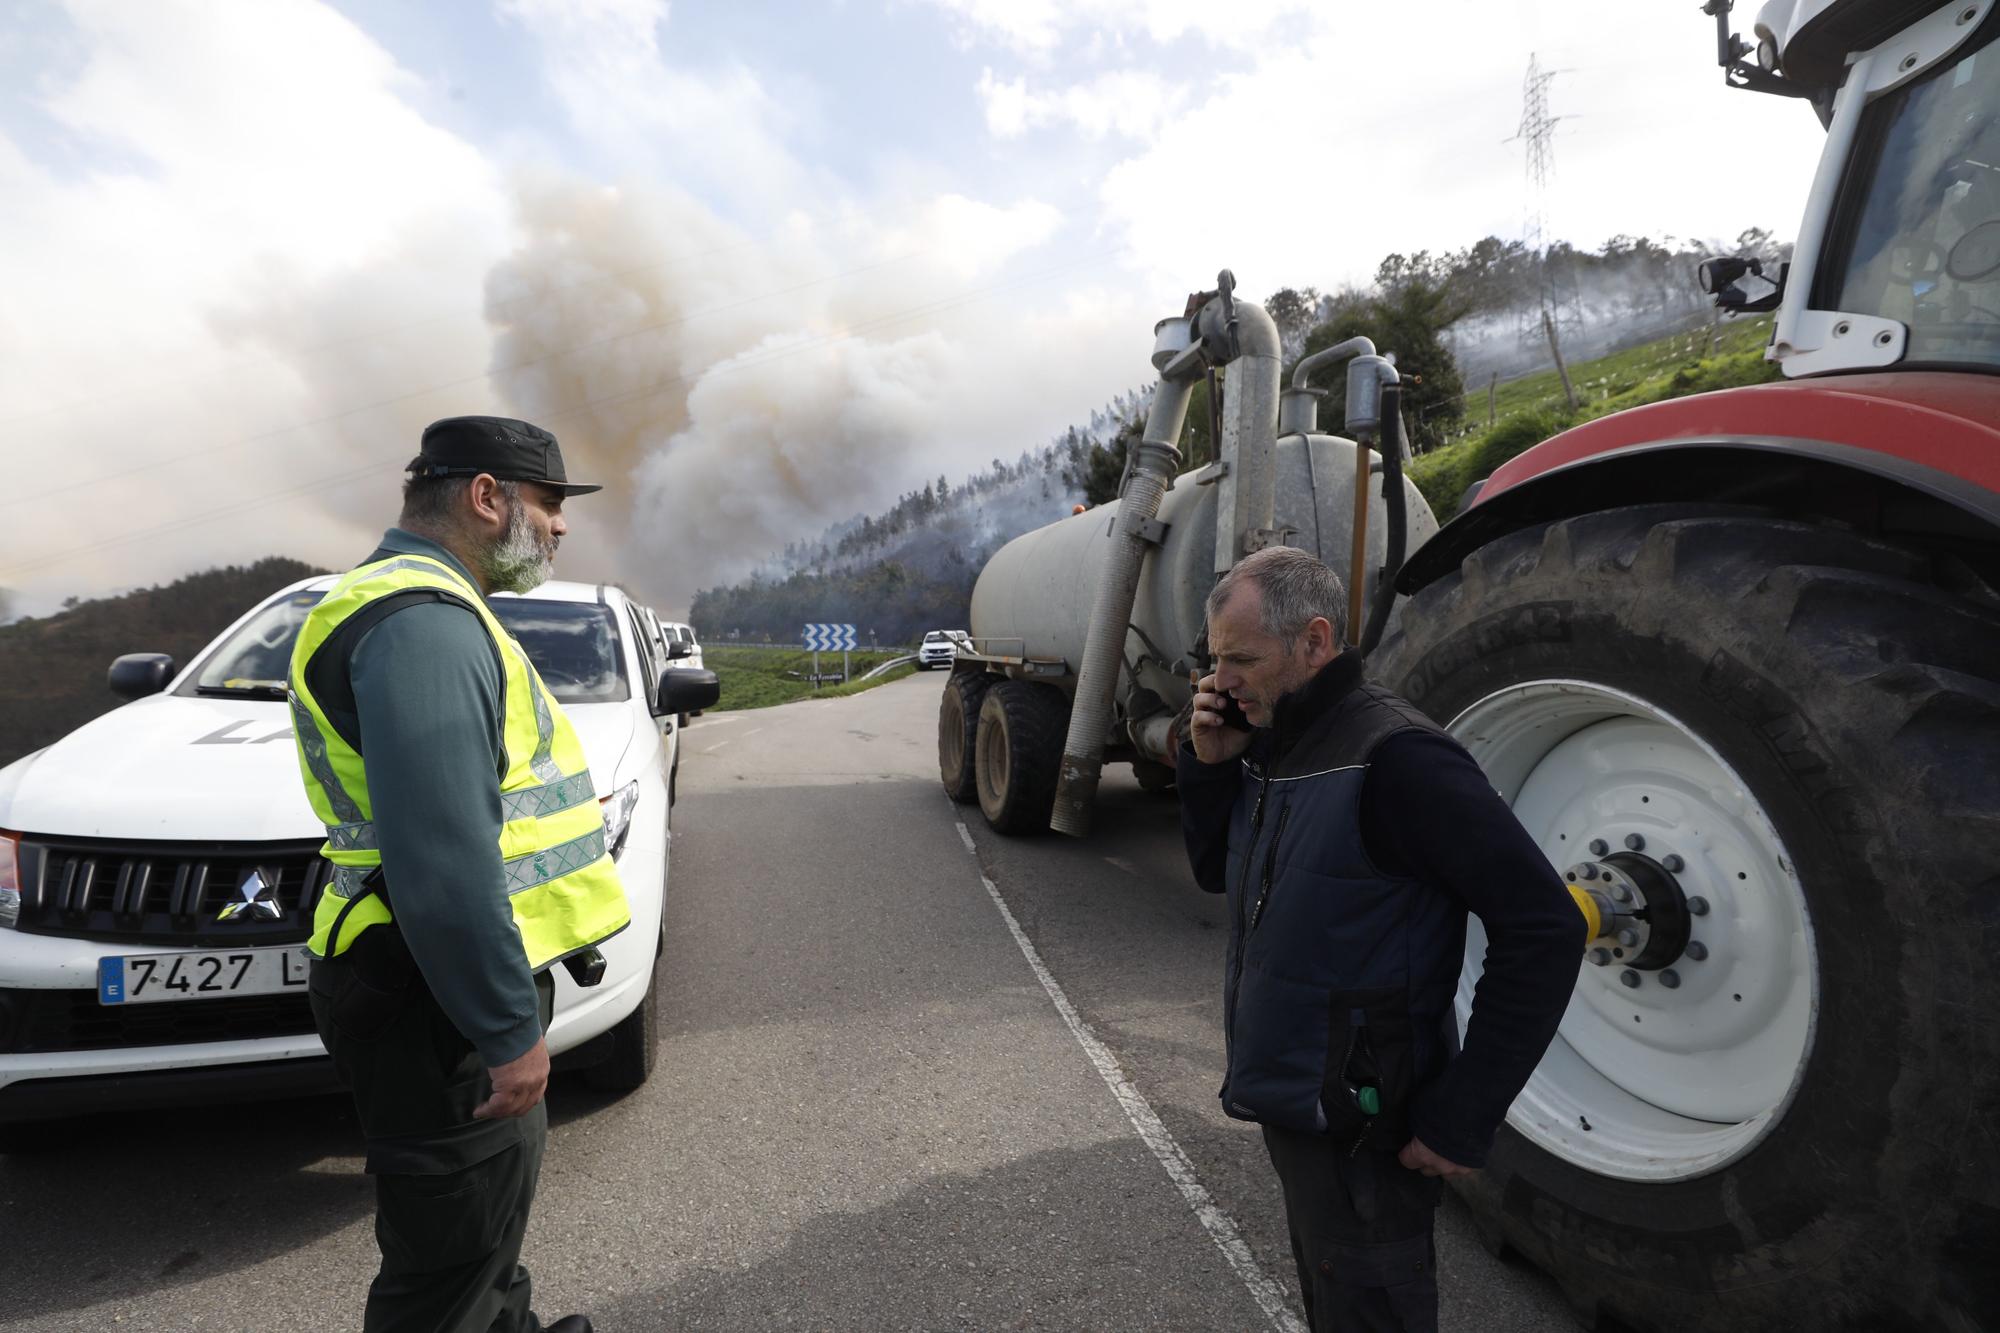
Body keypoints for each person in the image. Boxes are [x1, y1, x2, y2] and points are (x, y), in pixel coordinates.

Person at [1176, 546, 1582, 1333]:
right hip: (1299, 1098)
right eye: (1213, 658)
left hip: (1364, 1124)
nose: (1219, 681)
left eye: (1240, 660)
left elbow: (1544, 925)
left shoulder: (1400, 759)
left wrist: (1464, 1111)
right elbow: (1212, 871)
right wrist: (1209, 768)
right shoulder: (1271, 739)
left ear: (1315, 642)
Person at [288, 416, 631, 1333]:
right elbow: (444, 857)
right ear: (488, 496)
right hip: (439, 1005)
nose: (560, 526)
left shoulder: (424, 605)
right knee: (445, 1269)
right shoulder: (425, 626)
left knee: (479, 1228)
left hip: (428, 982)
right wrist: (508, 1027)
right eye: (549, 503)